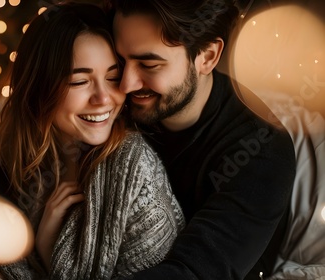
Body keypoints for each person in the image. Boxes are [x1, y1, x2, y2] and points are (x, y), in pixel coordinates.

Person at [0, 2, 185, 279]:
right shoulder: (25, 157)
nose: (103, 99)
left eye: (113, 77)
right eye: (79, 82)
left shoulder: (134, 167)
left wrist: (47, 247)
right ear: (40, 88)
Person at [105, 0, 297, 279]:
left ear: (207, 56)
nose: (126, 84)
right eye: (120, 62)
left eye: (149, 64)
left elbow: (194, 273)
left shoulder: (261, 149)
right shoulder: (116, 111)